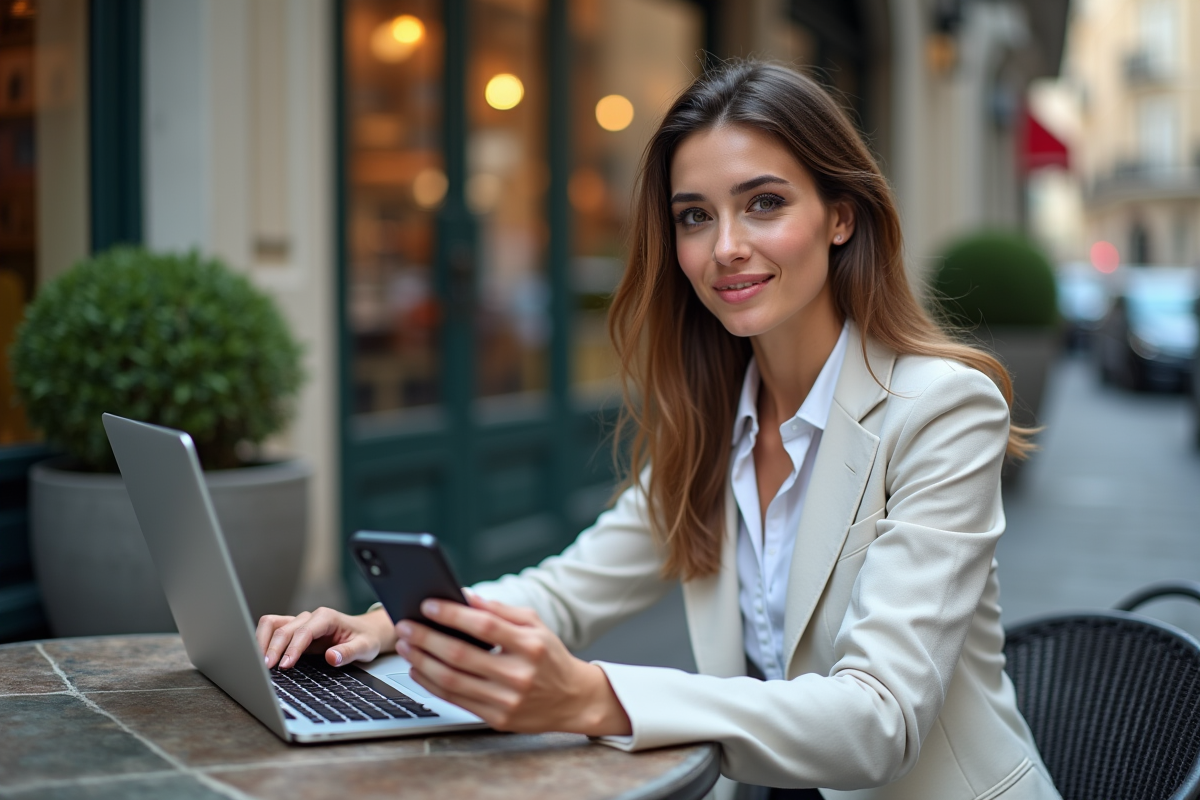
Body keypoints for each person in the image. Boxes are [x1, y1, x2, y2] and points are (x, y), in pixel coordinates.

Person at [256, 61, 1060, 799]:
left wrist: (593, 697)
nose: (727, 248)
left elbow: (877, 721)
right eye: (694, 217)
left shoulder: (942, 411)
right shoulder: (715, 420)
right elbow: (562, 593)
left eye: (765, 203)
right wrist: (391, 626)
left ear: (840, 217)